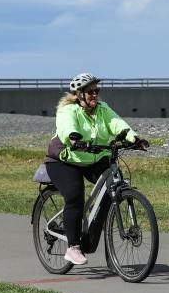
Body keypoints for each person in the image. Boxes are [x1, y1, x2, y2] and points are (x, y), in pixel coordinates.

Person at [44, 72, 143, 266]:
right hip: (65, 160)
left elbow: (118, 124)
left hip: (93, 157)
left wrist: (134, 139)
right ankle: (73, 247)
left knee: (114, 186)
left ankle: (99, 244)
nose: (95, 95)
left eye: (96, 90)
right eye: (90, 92)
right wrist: (74, 138)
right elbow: (67, 127)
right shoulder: (67, 110)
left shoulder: (102, 109)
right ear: (79, 94)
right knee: (75, 196)